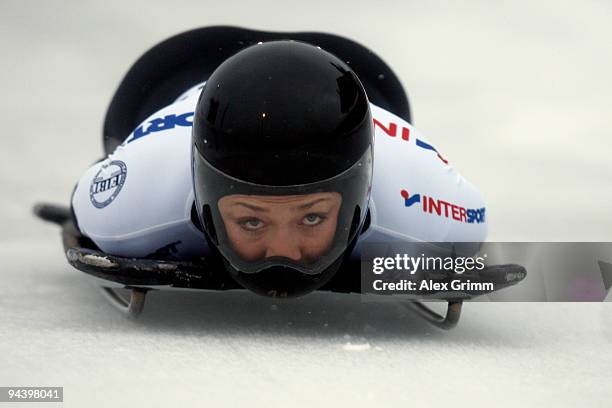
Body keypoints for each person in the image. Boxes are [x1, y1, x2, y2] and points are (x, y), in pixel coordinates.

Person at [70, 31, 487, 298]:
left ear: (360, 192)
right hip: (175, 76)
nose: (283, 253)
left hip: (355, 81)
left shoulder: (431, 207)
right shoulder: (129, 205)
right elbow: (85, 200)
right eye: (252, 221)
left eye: (311, 218)